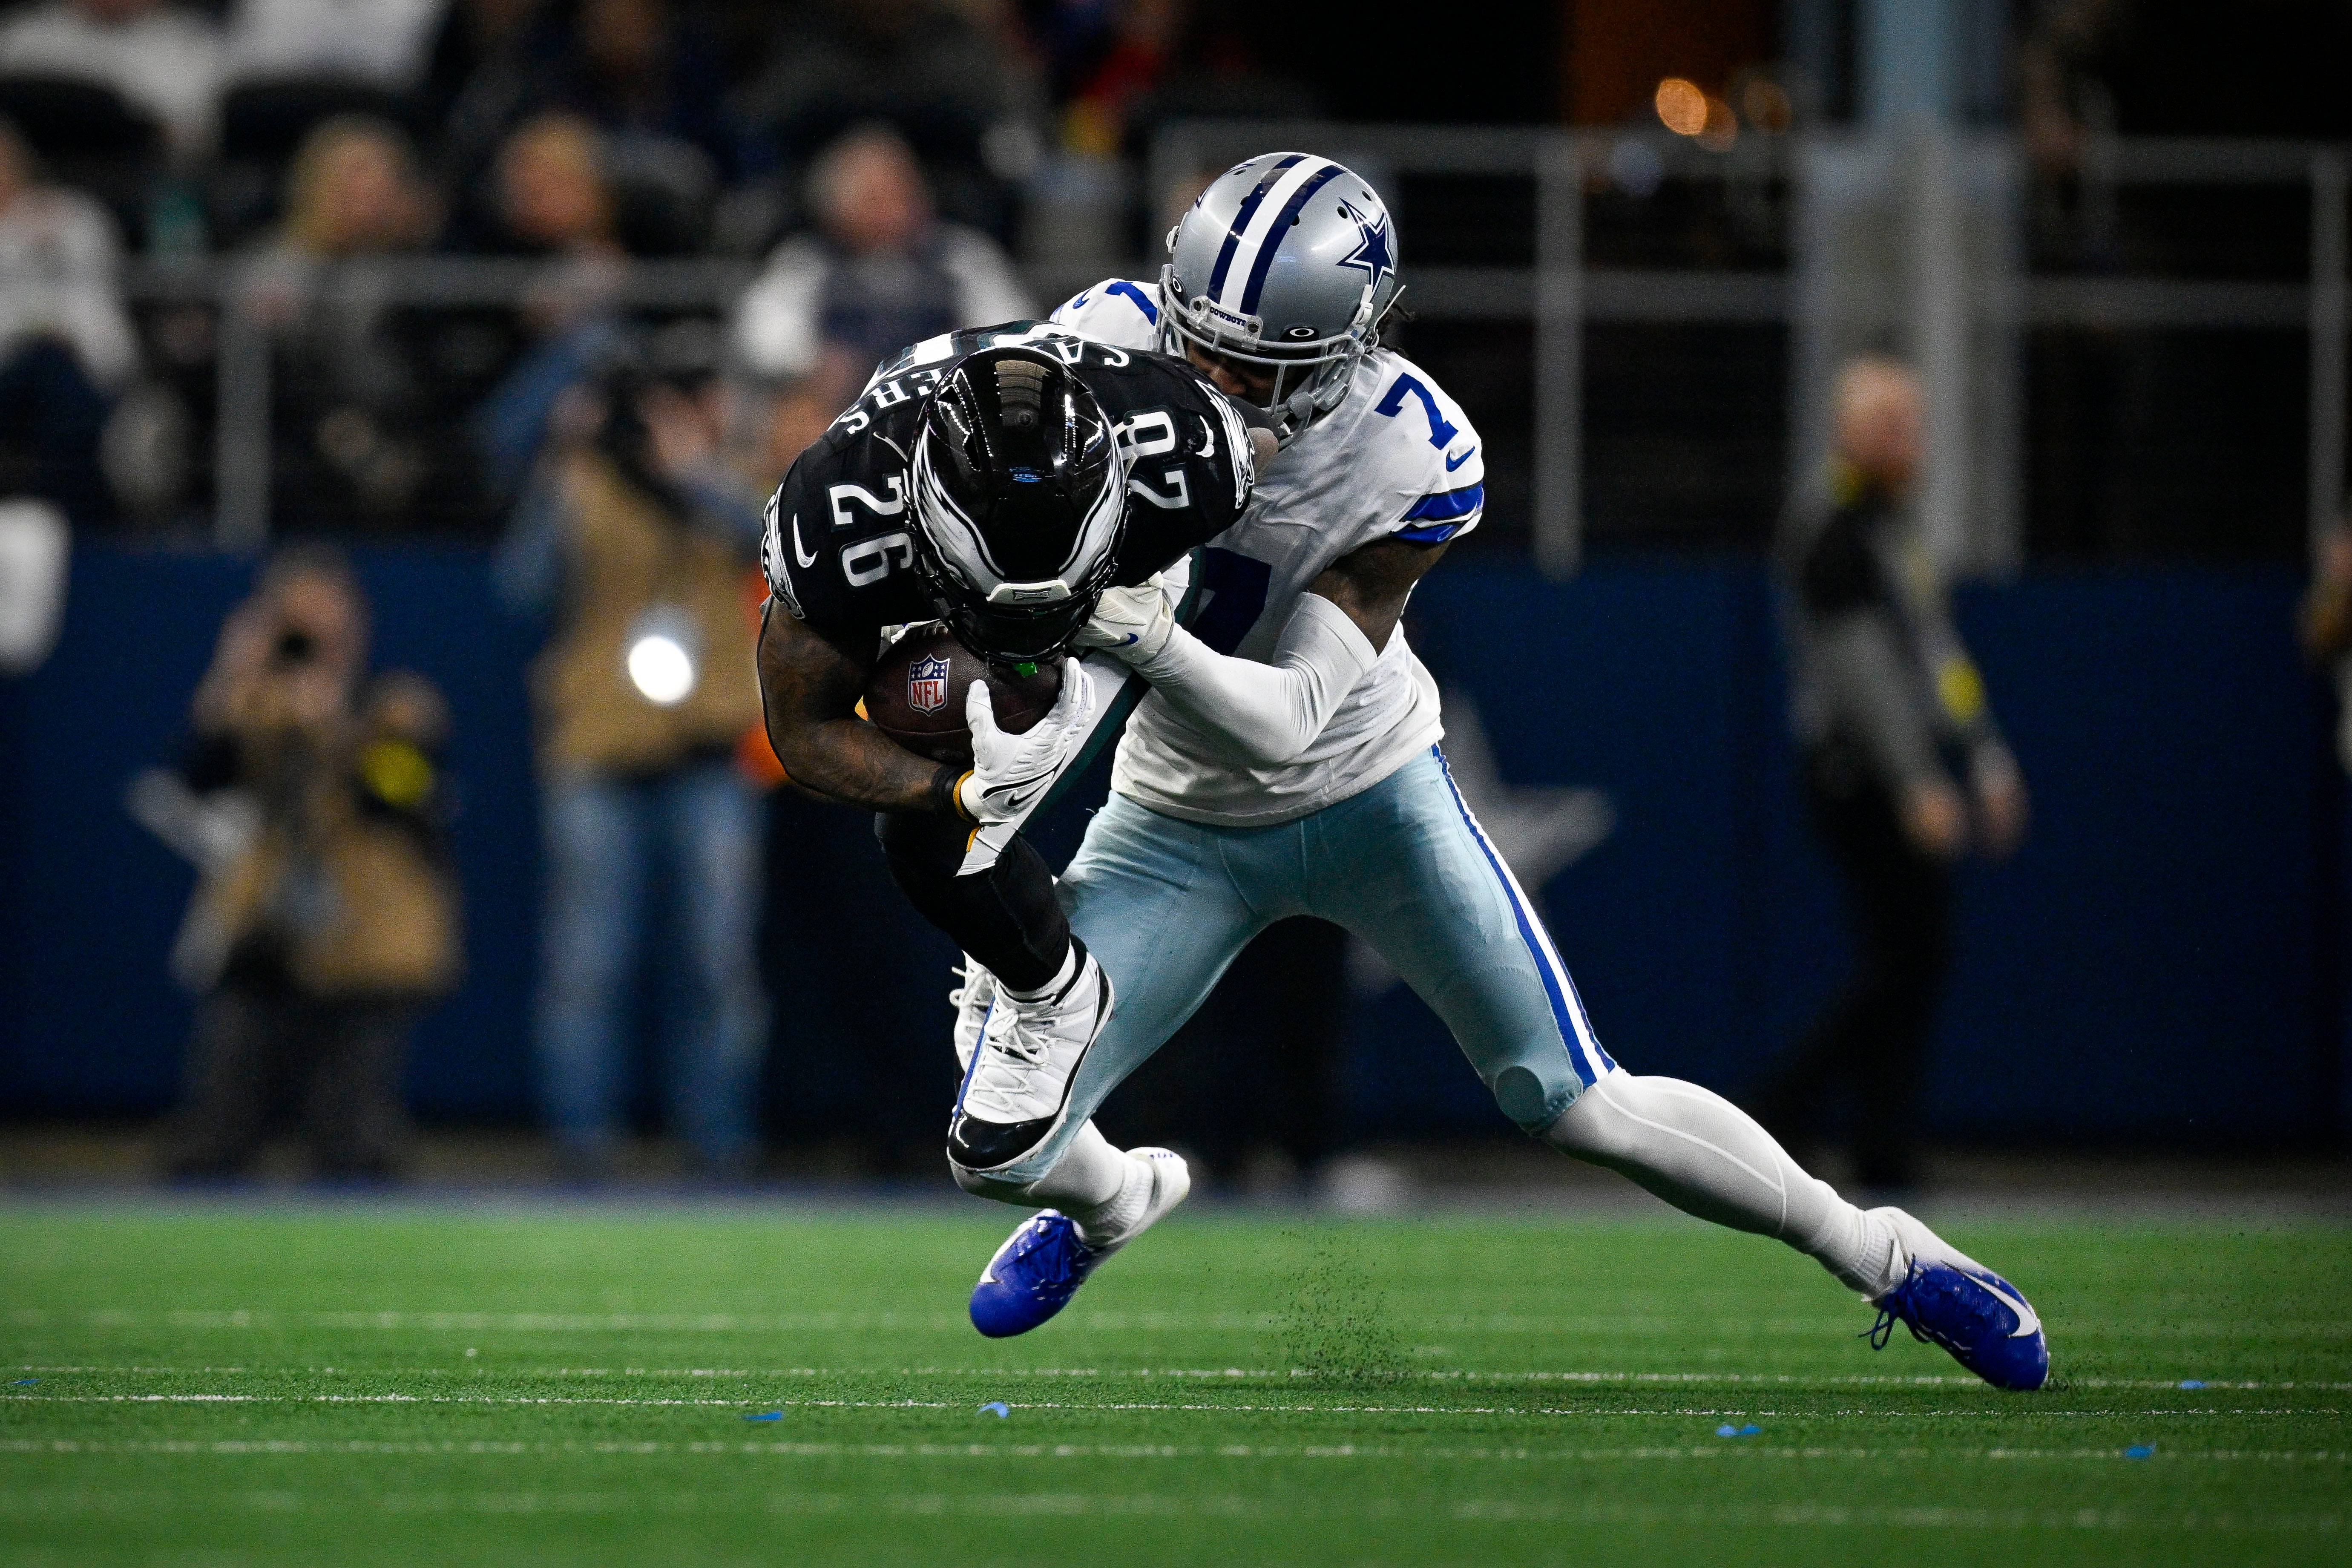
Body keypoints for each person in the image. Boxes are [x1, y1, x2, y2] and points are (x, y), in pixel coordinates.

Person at [931, 153, 2047, 1392]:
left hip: (1366, 793)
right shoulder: (1095, 345)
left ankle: (1885, 1255)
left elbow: (1290, 719)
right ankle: (1115, 1203)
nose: (1209, 386)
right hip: (1170, 818)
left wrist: (1139, 632)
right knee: (997, 1142)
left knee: (1572, 1100)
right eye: (1196, 344)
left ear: (1346, 349)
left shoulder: (1405, 448)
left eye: (1253, 369)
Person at [752, 325, 1268, 1207]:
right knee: (929, 828)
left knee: (1251, 770)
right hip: (980, 621)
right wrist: (955, 789)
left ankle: (1040, 988)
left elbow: (1260, 529)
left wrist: (1154, 630)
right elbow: (804, 730)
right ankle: (1046, 985)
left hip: (1132, 592)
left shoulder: (1187, 450)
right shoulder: (838, 508)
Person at [496, 342, 773, 1179]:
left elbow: (778, 546)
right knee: (588, 961)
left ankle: (718, 1141)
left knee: (717, 962)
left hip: (708, 754)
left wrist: (691, 470)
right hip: (599, 754)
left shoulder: (726, 480)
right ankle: (582, 1142)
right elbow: (521, 588)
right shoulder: (578, 485)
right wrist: (558, 460)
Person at [1757, 355, 2029, 1192]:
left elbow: (1937, 654)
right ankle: (1779, 1110)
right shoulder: (1832, 527)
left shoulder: (1891, 525)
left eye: (1910, 422)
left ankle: (1876, 1142)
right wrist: (1916, 780)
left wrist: (1983, 754)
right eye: (1886, 423)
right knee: (1905, 954)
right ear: (1845, 430)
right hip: (1857, 773)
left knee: (1908, 956)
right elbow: (1864, 674)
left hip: (1895, 773)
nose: (1904, 439)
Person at [159, 547, 460, 1180]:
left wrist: (340, 731)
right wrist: (230, 676)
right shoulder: (250, 708)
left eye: (331, 618)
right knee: (213, 1144)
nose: (318, 636)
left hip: (367, 949)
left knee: (352, 1149)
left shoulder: (397, 704)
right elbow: (198, 777)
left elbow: (409, 796)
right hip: (267, 943)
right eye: (299, 620)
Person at [733, 125, 1031, 418]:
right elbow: (762, 336)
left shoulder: (961, 255)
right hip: (842, 415)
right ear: (838, 206)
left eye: (902, 192)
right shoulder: (809, 261)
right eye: (876, 198)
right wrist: (813, 363)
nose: (895, 209)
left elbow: (1012, 332)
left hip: (945, 408)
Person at [0, 116, 135, 527]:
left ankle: (69, 528)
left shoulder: (75, 217)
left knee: (62, 383)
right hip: (9, 374)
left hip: (73, 372)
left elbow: (98, 308)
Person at [0, 0, 225, 164]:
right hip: (35, 198)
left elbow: (199, 143)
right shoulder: (22, 40)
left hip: (148, 193)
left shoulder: (194, 48)